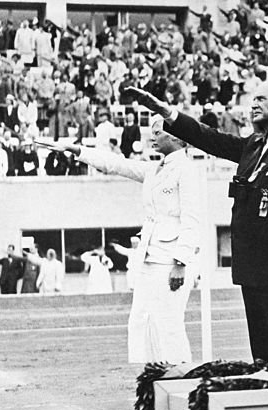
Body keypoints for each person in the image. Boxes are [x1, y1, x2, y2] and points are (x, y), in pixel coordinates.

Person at [127, 81, 268, 363]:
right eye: (252, 100)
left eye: (261, 99)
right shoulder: (254, 144)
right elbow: (210, 139)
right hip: (253, 264)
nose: (253, 105)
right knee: (263, 354)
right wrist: (167, 113)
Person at [58, 116, 204, 364]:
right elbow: (117, 164)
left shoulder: (187, 170)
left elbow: (192, 219)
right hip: (148, 254)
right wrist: (79, 151)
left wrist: (181, 262)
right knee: (140, 318)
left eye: (158, 132)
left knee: (168, 321)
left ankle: (181, 374)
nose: (152, 137)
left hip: (171, 258)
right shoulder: (155, 168)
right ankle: (147, 373)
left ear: (178, 138)